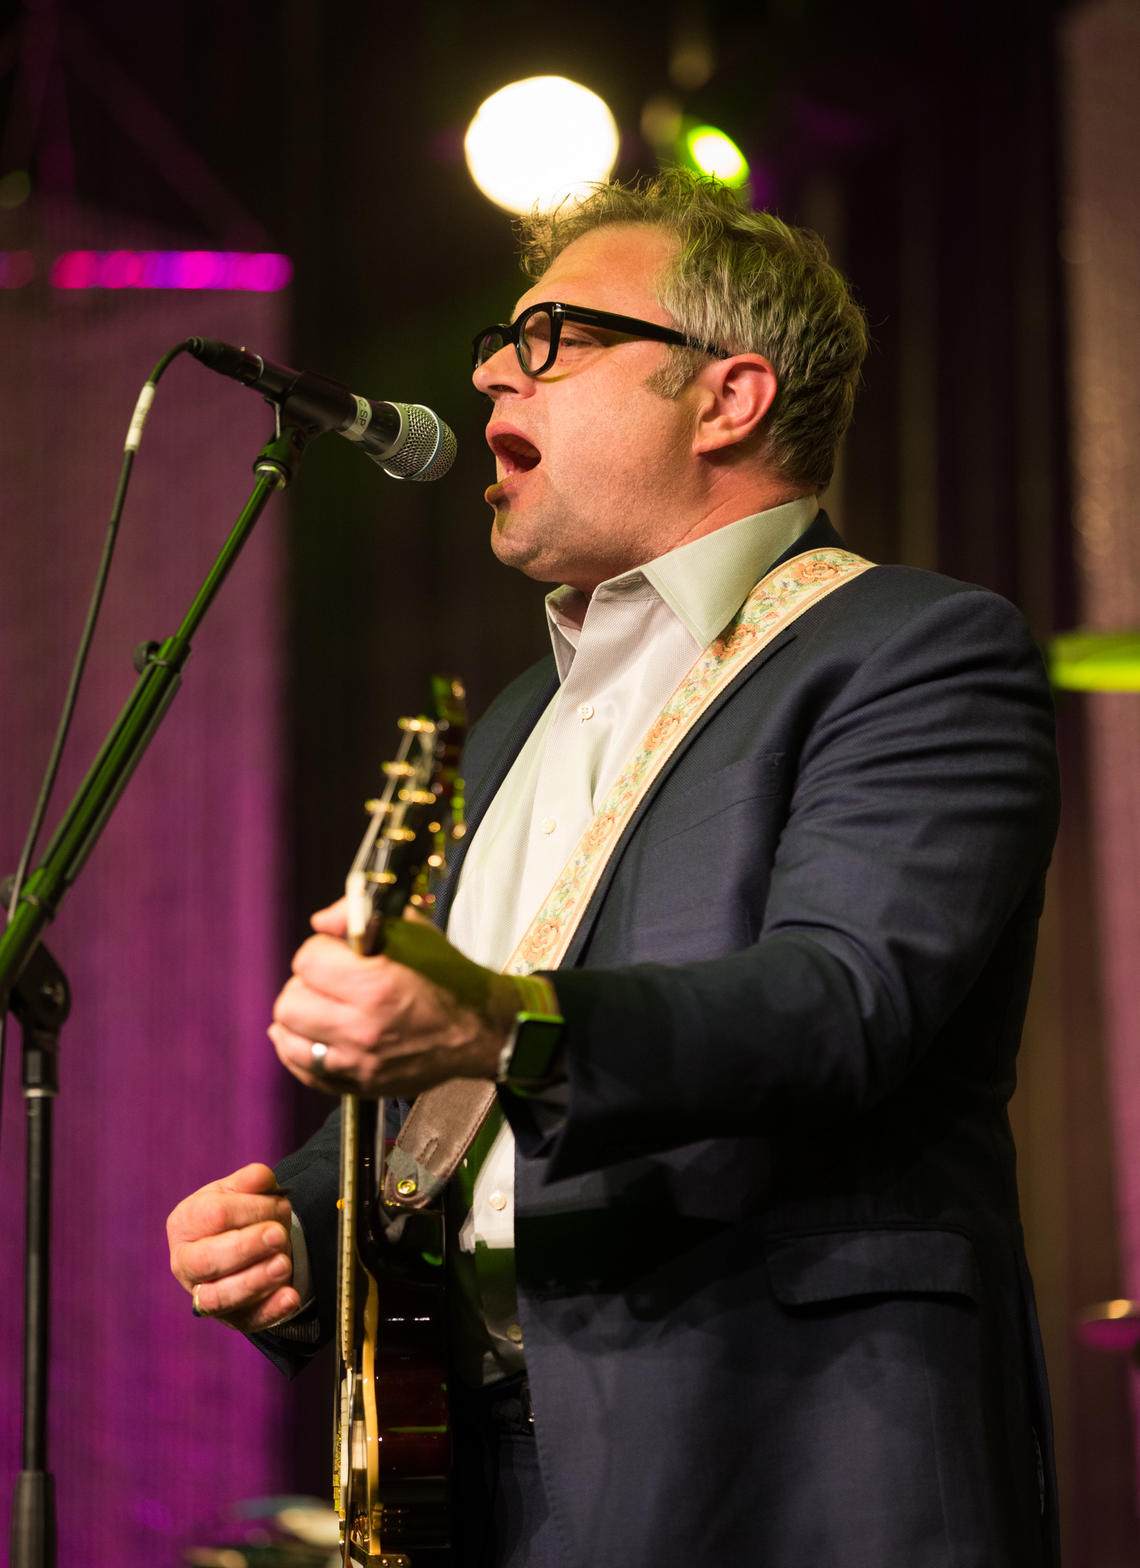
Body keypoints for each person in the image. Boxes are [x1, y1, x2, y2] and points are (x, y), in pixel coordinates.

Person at [167, 171, 1061, 1567]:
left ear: (728, 396)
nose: (485, 377)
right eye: (493, 343)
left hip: (786, 1446)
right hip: (491, 1466)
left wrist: (487, 1014)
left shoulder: (911, 649)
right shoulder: (515, 716)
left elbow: (846, 1000)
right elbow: (473, 1099)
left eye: (549, 340)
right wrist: (304, 1219)